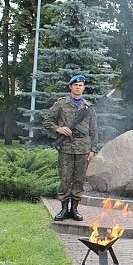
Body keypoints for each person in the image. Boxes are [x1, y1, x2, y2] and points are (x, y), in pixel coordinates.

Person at [43, 74, 97, 221]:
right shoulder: (61, 104)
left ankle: (74, 210)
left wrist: (93, 149)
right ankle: (63, 210)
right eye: (75, 85)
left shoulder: (89, 106)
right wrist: (58, 129)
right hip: (66, 147)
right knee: (65, 179)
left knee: (79, 180)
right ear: (70, 87)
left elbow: (93, 130)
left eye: (81, 85)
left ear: (84, 88)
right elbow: (47, 121)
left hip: (83, 148)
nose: (78, 87)